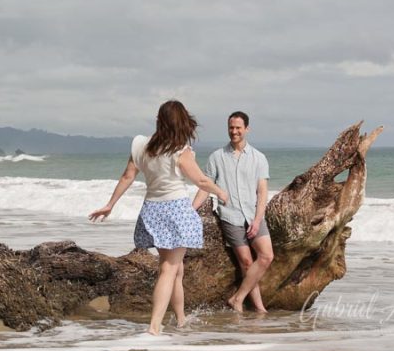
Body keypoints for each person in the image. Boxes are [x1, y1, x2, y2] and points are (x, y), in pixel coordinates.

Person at [89, 100, 229, 335]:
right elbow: (201, 181)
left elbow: (127, 177)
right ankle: (155, 326)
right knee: (169, 268)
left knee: (177, 269)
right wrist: (222, 192)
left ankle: (181, 319)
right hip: (175, 212)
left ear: (159, 120)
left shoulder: (141, 146)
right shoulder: (180, 150)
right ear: (181, 122)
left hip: (152, 210)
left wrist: (110, 204)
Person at [194, 111, 273, 313]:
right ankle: (259, 308)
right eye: (231, 127)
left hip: (253, 215)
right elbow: (205, 185)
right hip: (230, 216)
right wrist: (191, 209)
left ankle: (237, 298)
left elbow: (262, 191)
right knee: (246, 262)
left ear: (247, 129)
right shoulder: (217, 157)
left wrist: (257, 220)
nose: (234, 131)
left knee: (266, 257)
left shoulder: (259, 158)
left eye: (238, 127)